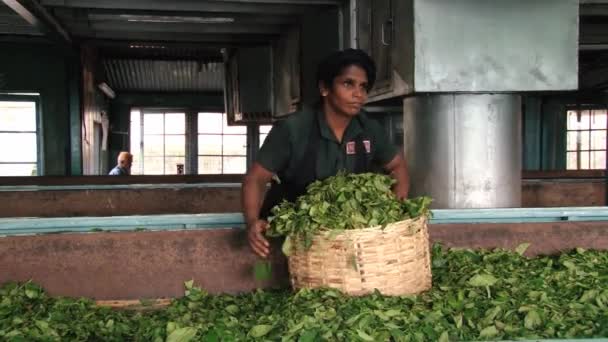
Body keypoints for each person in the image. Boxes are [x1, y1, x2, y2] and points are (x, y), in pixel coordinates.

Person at [242, 48, 410, 258]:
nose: (358, 94)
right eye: (348, 84)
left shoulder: (369, 129)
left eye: (363, 86)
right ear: (324, 88)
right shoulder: (293, 129)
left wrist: (392, 211)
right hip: (289, 235)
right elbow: (256, 179)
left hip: (344, 238)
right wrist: (252, 221)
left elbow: (397, 166)